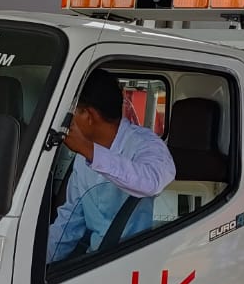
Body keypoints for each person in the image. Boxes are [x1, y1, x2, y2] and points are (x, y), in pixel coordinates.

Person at [47, 69, 176, 263]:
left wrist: (90, 151)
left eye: (71, 114)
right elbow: (70, 221)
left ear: (88, 114)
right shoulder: (83, 159)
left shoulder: (144, 143)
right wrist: (38, 262)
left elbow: (152, 181)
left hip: (137, 260)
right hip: (98, 260)